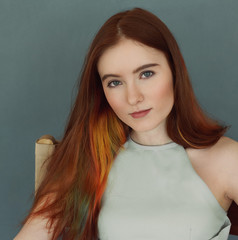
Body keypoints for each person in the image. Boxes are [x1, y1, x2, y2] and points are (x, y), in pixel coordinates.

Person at [14, 8, 238, 240]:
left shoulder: (227, 158)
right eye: (115, 83)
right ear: (101, 91)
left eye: (146, 74)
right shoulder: (84, 159)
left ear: (175, 71)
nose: (133, 98)